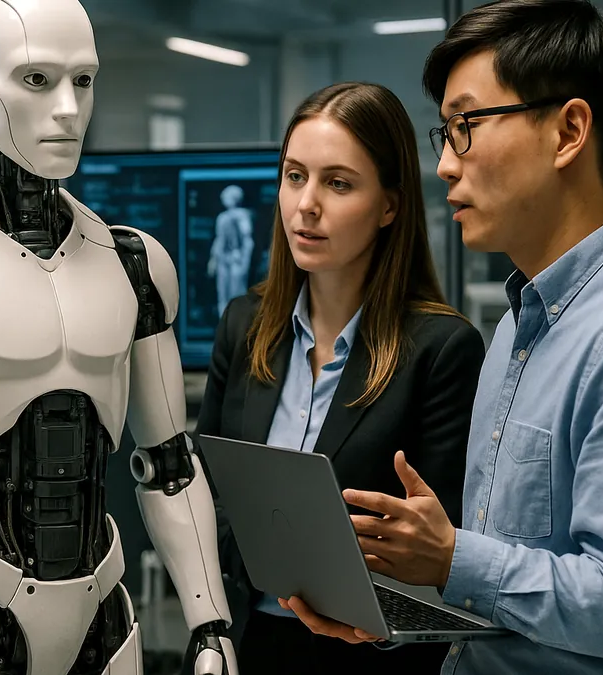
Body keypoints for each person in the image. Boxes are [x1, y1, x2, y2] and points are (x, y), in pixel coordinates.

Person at [283, 2, 603, 674]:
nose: (445, 165)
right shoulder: (518, 326)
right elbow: (508, 588)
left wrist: (450, 557)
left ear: (568, 131)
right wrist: (391, 603)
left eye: (465, 128)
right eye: (443, 134)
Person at [191, 81, 485, 674]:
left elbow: (442, 546)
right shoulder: (244, 325)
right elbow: (207, 490)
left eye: (338, 183)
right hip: (243, 644)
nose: (307, 205)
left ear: (389, 206)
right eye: (295, 176)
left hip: (364, 656)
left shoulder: (441, 350)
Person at [208, 184, 254, 316]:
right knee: (222, 292)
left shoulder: (242, 216)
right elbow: (219, 239)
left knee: (237, 293)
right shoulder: (222, 217)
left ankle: (236, 324)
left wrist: (245, 261)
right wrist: (213, 259)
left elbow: (247, 239)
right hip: (223, 259)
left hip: (236, 259)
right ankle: (224, 323)